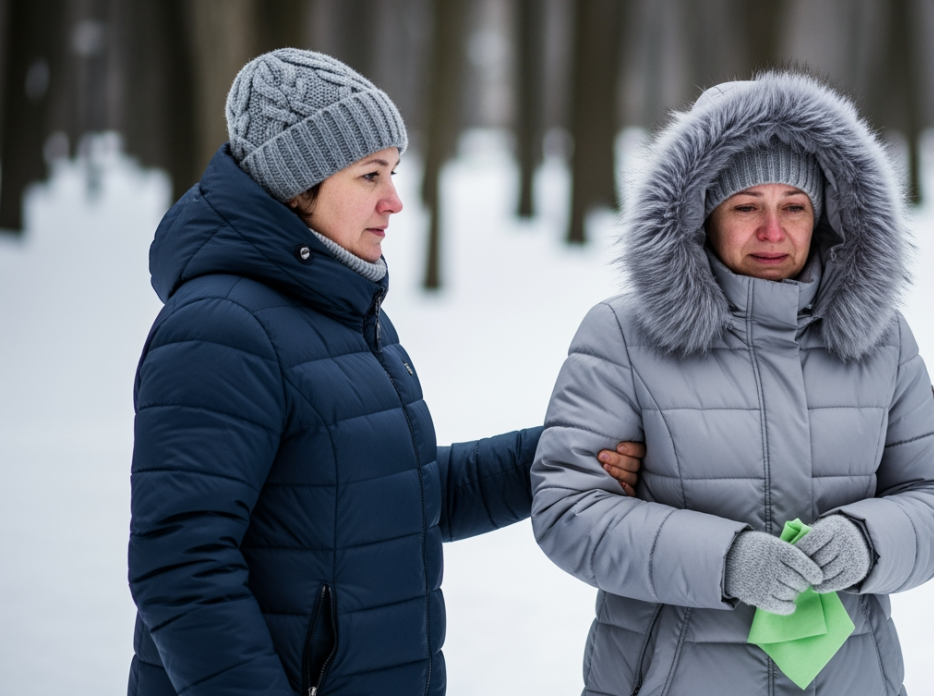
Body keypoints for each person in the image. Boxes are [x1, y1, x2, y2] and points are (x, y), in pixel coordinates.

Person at [127, 48, 641, 696]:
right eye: (371, 176)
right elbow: (181, 567)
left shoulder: (342, 312)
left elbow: (403, 496)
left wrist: (558, 455)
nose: (396, 201)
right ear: (298, 182)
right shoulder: (221, 329)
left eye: (394, 173)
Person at [531, 72, 934, 695]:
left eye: (793, 207)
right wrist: (726, 560)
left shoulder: (882, 338)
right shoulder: (624, 336)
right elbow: (568, 511)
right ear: (701, 214)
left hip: (848, 678)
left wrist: (868, 542)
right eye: (746, 207)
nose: (773, 231)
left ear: (821, 217)